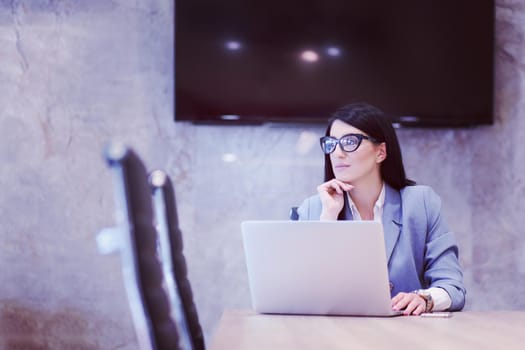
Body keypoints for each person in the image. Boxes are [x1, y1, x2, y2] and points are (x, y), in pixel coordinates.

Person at [296, 102, 466, 315]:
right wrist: (329, 219)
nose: (337, 153)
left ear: (381, 152)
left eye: (349, 142)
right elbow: (304, 293)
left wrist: (425, 299)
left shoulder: (420, 203)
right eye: (331, 143)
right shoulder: (313, 209)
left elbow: (453, 287)